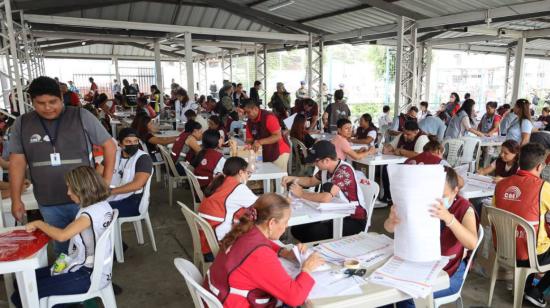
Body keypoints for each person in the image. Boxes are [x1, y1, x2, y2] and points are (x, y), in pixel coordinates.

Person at [9, 76, 116, 254]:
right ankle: (68, 275)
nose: (48, 107)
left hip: (84, 198)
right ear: (32, 101)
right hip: (48, 199)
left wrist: (105, 181)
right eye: (41, 103)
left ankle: (94, 278)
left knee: (92, 245)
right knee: (62, 248)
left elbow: (110, 146)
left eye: (53, 101)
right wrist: (15, 199)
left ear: (61, 96)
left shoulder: (81, 116)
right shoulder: (23, 123)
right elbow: (17, 162)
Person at [10, 166, 114, 308]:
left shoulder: (89, 214)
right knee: (20, 282)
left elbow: (62, 236)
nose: (68, 193)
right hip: (92, 268)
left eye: (71, 188)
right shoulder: (103, 205)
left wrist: (39, 223)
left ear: (83, 189)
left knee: (20, 295)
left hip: (87, 275)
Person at [206, 194, 325, 307]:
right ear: (272, 223)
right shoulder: (260, 254)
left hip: (219, 296)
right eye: (285, 222)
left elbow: (261, 244)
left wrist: (284, 252)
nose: (286, 226)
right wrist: (307, 269)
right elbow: (295, 298)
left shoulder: (244, 230)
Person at [384, 167, 478, 308]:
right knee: (386, 292)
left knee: (408, 297)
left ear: (455, 191)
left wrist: (449, 218)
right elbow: (389, 228)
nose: (437, 202)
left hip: (449, 272)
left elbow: (472, 243)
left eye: (443, 196)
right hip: (418, 263)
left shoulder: (464, 207)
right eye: (433, 195)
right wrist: (391, 222)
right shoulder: (421, 201)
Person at [494, 143, 550, 307]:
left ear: (519, 162)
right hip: (529, 253)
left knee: (531, 235)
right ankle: (537, 291)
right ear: (540, 166)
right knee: (536, 240)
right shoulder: (543, 188)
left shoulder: (500, 185)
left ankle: (525, 288)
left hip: (504, 249)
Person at [282, 141, 367, 242]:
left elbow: (325, 198)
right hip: (335, 213)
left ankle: (319, 253)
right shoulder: (326, 169)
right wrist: (292, 178)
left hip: (353, 219)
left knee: (311, 233)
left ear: (326, 160)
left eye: (316, 161)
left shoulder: (344, 171)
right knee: (298, 229)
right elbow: (310, 181)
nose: (314, 164)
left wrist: (301, 194)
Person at [198, 157, 257, 260]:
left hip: (206, 241)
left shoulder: (218, 180)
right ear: (240, 172)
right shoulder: (238, 188)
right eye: (247, 173)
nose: (248, 176)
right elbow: (261, 204)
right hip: (216, 247)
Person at [107, 128, 153, 218]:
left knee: (95, 211)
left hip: (134, 200)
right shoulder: (114, 155)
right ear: (120, 143)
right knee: (85, 206)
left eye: (135, 141)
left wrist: (109, 192)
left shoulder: (143, 158)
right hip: (112, 195)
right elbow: (97, 174)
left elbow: (137, 185)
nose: (133, 145)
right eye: (128, 142)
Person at [381, 121, 430, 203]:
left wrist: (401, 151)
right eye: (404, 133)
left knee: (388, 168)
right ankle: (389, 195)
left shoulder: (422, 138)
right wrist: (387, 148)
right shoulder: (402, 135)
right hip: (404, 163)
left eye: (408, 134)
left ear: (415, 132)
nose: (405, 136)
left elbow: (418, 155)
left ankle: (392, 196)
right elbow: (392, 145)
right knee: (387, 167)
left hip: (416, 167)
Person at [243, 100, 291, 172]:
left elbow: (277, 136)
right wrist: (248, 145)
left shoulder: (268, 117)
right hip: (265, 153)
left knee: (279, 179)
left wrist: (259, 142)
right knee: (267, 179)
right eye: (245, 113)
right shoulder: (249, 122)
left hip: (279, 152)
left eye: (248, 112)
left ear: (256, 109)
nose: (247, 115)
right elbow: (249, 140)